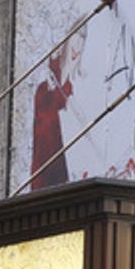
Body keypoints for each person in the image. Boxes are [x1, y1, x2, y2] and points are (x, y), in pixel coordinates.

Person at [29, 25, 86, 189]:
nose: (77, 48)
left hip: (65, 171)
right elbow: (45, 127)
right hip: (47, 169)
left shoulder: (74, 85)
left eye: (82, 41)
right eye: (75, 40)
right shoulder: (45, 88)